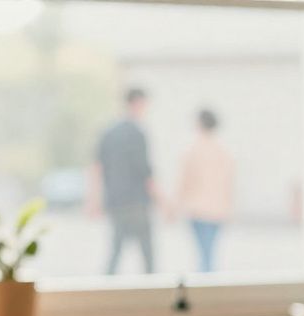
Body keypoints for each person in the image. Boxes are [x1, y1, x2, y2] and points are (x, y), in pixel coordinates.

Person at [90, 88, 162, 275]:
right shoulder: (138, 133)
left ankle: (107, 290)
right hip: (137, 202)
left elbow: (96, 168)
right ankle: (152, 289)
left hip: (115, 202)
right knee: (147, 253)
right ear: (137, 103)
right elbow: (146, 173)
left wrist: (94, 200)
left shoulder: (108, 132)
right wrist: (163, 201)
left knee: (115, 251)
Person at [176, 108, 234, 273]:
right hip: (218, 211)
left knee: (204, 255)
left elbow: (184, 182)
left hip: (198, 211)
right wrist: (228, 209)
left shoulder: (193, 150)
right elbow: (229, 184)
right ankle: (208, 282)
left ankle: (206, 286)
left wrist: (175, 207)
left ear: (199, 123)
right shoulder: (223, 151)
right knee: (209, 253)